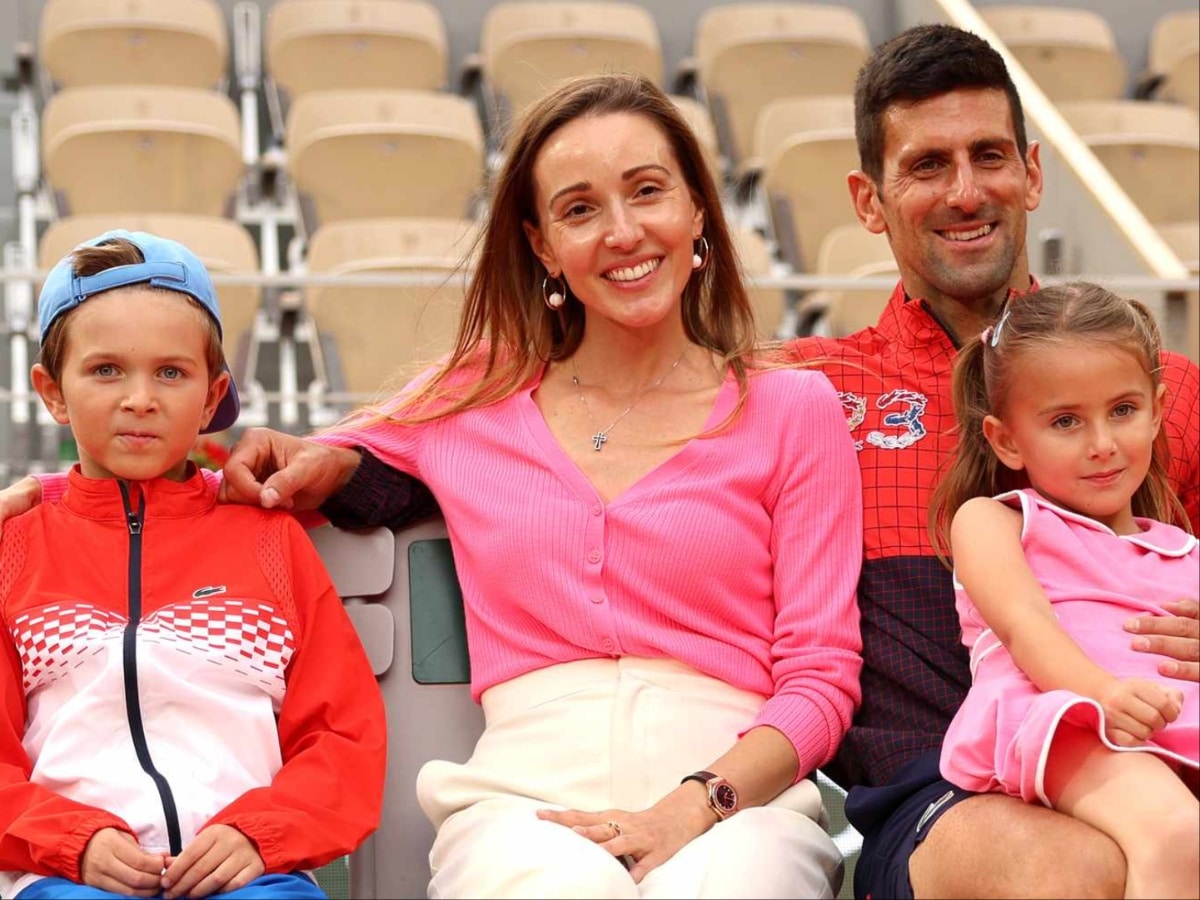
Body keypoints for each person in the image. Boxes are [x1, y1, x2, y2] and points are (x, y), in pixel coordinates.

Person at [6, 25, 1197, 900]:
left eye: (647, 192)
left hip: (749, 777)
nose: (622, 231)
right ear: (541, 245)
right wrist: (36, 502)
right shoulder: (487, 400)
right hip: (550, 781)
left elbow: (815, 669)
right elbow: (252, 461)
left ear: (697, 215)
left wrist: (700, 802)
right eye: (580, 208)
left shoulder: (793, 409)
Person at [781, 24, 1200, 900]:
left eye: (990, 156)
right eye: (928, 165)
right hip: (945, 786)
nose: (967, 192)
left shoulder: (1169, 390)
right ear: (869, 200)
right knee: (1074, 870)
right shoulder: (809, 391)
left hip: (1164, 752)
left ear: (1033, 173)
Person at [0, 231, 386, 900]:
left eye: (171, 373)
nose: (140, 398)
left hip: (253, 874)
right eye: (106, 370)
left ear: (212, 398)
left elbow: (342, 734)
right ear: (52, 392)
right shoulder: (17, 546)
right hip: (66, 878)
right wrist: (70, 840)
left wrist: (260, 834)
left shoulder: (269, 538)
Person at [930, 283, 1198, 899]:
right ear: (1007, 440)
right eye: (1066, 421)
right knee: (1179, 834)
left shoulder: (1185, 550)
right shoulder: (995, 521)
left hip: (1168, 733)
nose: (1102, 442)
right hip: (1064, 724)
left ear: (1158, 410)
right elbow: (1026, 627)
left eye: (1123, 410)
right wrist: (1101, 692)